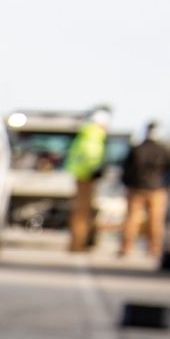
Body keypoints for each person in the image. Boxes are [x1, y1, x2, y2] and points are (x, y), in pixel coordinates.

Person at [119, 122, 170, 259]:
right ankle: (154, 249)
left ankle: (126, 248)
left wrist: (127, 184)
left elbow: (126, 170)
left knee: (132, 218)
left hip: (136, 188)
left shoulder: (137, 149)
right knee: (156, 220)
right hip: (157, 189)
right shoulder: (164, 150)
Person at [66, 106, 111, 252]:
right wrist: (96, 171)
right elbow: (91, 157)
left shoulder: (86, 133)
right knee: (82, 213)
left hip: (82, 176)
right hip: (86, 178)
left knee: (81, 212)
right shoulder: (94, 135)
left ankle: (77, 243)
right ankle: (78, 244)